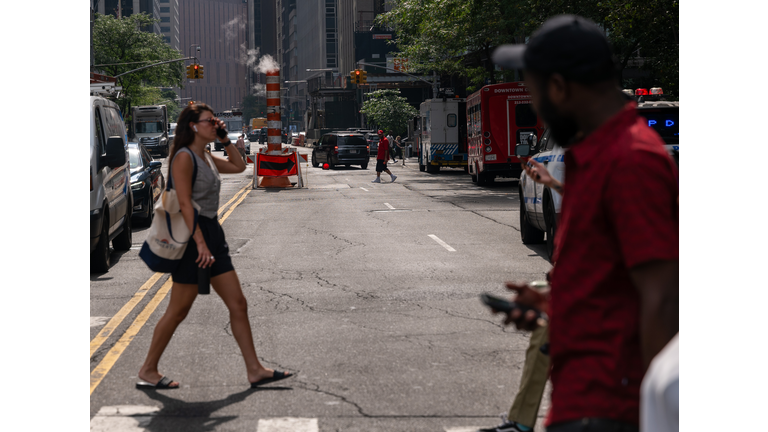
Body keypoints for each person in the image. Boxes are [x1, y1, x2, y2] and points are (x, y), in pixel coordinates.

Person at [490, 15, 678, 432]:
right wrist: (552, 306)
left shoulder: (630, 160)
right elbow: (612, 284)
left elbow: (663, 297)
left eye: (535, 92)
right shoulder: (594, 155)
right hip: (584, 400)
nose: (535, 106)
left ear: (558, 87)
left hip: (611, 408)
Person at [136, 103, 293, 390]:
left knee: (238, 303)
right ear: (193, 126)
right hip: (193, 237)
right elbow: (184, 204)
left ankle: (255, 369)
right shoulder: (184, 158)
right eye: (210, 122)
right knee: (178, 310)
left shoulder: (205, 156)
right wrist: (200, 244)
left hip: (212, 233)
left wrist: (225, 139)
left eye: (215, 121)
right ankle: (148, 369)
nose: (215, 124)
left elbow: (239, 166)